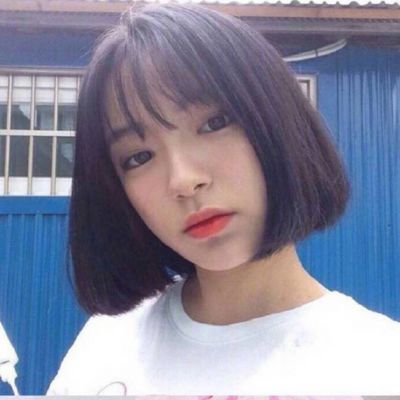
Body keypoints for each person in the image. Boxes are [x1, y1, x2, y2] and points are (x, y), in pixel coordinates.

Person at [47, 3, 400, 395]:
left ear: (277, 121)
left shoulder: (379, 364)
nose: (184, 181)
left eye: (214, 123)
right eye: (139, 157)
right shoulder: (104, 351)